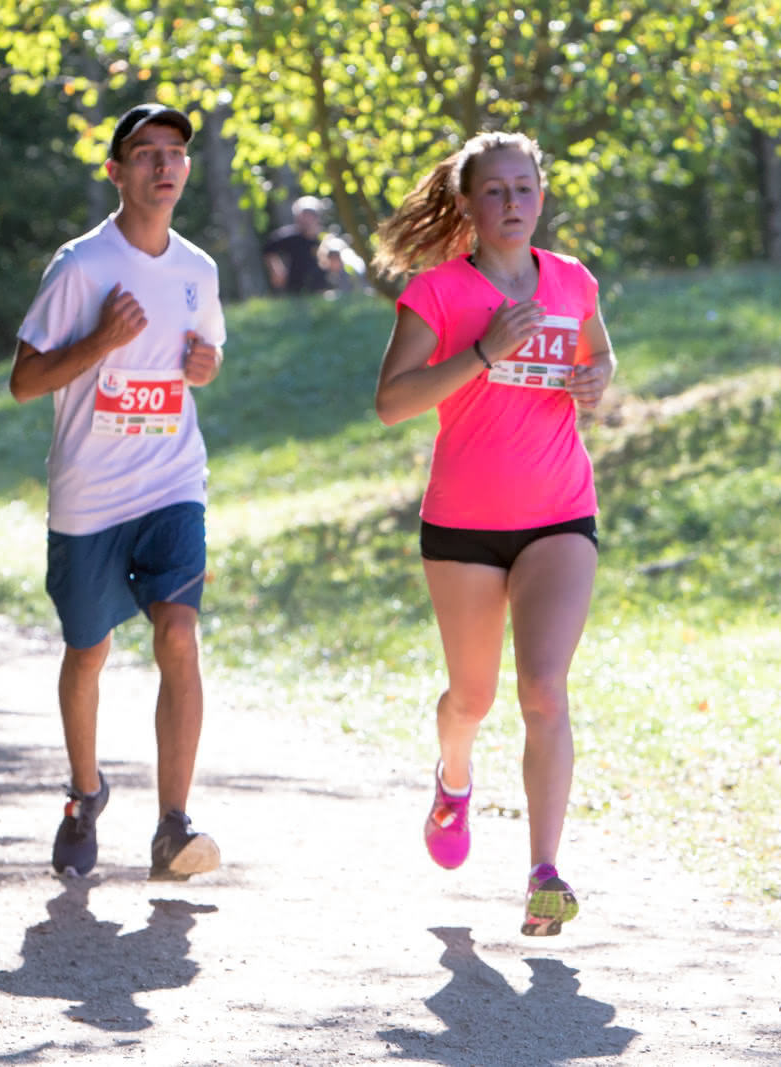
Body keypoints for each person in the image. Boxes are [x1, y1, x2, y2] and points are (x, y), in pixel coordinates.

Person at [371, 131, 614, 937]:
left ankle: (545, 871)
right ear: (470, 205)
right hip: (463, 525)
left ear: (541, 196)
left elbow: (600, 355)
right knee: (471, 696)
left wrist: (596, 378)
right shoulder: (438, 294)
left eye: (524, 189)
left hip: (559, 512)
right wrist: (482, 350)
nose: (512, 204)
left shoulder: (573, 282)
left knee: (544, 689)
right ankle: (454, 777)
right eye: (495, 192)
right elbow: (393, 401)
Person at [9, 102, 226, 883]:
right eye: (145, 153)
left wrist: (204, 370)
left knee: (178, 633)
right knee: (88, 650)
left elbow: (203, 360)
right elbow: (23, 381)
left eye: (175, 152)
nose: (164, 165)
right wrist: (100, 341)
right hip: (90, 496)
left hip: (172, 479)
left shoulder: (199, 271)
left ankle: (173, 824)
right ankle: (84, 793)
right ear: (116, 170)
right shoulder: (80, 267)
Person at [261, 195, 329, 294]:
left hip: (324, 291)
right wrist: (276, 270)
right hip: (295, 291)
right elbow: (268, 249)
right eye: (304, 215)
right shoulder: (290, 237)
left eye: (311, 215)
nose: (307, 219)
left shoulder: (325, 239)